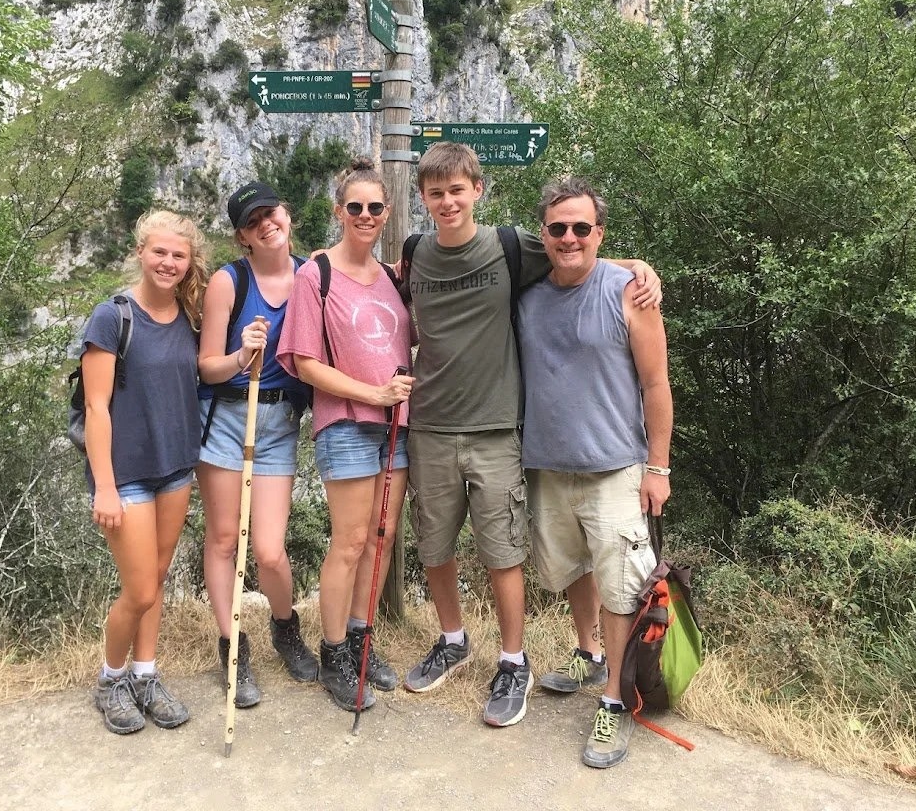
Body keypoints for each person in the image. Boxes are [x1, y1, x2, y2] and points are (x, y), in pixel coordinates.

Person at [400, 142, 662, 728]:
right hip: (435, 427)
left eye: (457, 190)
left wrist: (640, 269)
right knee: (436, 546)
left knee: (504, 552)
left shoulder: (510, 248)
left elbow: (583, 256)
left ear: (478, 190)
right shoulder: (414, 252)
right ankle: (455, 639)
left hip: (501, 432)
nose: (447, 201)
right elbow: (365, 278)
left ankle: (516, 661)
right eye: (436, 192)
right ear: (422, 198)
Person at [519, 176, 673, 768]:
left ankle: (615, 700)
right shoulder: (529, 295)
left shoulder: (628, 292)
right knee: (570, 569)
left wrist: (657, 465)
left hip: (616, 468)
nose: (569, 238)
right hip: (548, 467)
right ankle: (589, 657)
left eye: (582, 228)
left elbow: (656, 384)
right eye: (558, 228)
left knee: (619, 586)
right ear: (544, 234)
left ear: (599, 234)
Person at [277, 159, 416, 712]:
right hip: (346, 425)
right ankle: (334, 649)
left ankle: (361, 639)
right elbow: (305, 362)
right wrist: (371, 393)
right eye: (353, 207)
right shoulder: (317, 275)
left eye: (374, 208)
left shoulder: (391, 276)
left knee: (381, 537)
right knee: (350, 541)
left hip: (397, 426)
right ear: (339, 211)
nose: (364, 215)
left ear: (386, 214)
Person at [82, 209, 210, 735]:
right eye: (160, 252)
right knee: (137, 590)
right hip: (127, 474)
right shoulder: (112, 317)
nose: (169, 262)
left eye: (179, 255)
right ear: (140, 252)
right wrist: (106, 488)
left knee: (155, 581)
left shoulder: (189, 315)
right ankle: (111, 680)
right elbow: (95, 408)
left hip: (176, 467)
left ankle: (145, 674)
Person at [197, 182, 318, 708]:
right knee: (225, 540)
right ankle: (231, 646)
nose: (266, 223)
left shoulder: (313, 276)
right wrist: (242, 354)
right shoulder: (229, 282)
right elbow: (206, 367)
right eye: (253, 221)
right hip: (229, 416)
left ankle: (284, 627)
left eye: (272, 212)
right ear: (242, 237)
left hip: (280, 422)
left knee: (269, 550)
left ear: (286, 214)